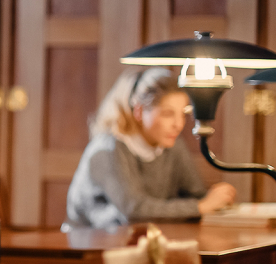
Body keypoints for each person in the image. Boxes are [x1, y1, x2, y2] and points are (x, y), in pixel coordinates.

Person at [67, 67, 236, 229]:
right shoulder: (107, 150)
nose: (178, 125)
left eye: (182, 114)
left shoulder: (172, 144)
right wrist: (201, 206)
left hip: (139, 243)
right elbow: (134, 210)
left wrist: (216, 200)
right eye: (168, 114)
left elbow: (195, 194)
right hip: (88, 246)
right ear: (139, 111)